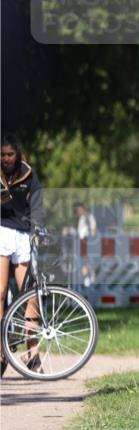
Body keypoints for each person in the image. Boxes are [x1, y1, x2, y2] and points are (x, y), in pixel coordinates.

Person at [1, 133, 44, 376]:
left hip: (23, 234)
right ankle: (0, 351)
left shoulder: (28, 173)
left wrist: (38, 227)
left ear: (17, 155)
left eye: (10, 154)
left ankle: (32, 352)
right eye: (2, 155)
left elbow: (37, 202)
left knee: (30, 295)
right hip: (1, 233)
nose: (6, 159)